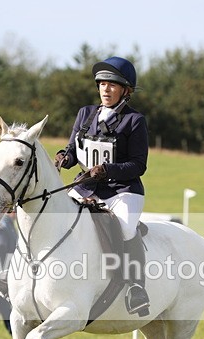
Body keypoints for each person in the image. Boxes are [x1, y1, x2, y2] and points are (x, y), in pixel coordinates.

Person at [55, 56, 151, 316]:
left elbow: (138, 165)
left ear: (125, 90)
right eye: (102, 84)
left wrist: (107, 169)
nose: (106, 89)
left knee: (126, 230)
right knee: (53, 215)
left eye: (112, 85)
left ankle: (135, 288)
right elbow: (74, 149)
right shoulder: (86, 114)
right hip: (87, 187)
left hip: (122, 191)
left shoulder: (134, 121)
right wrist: (64, 158)